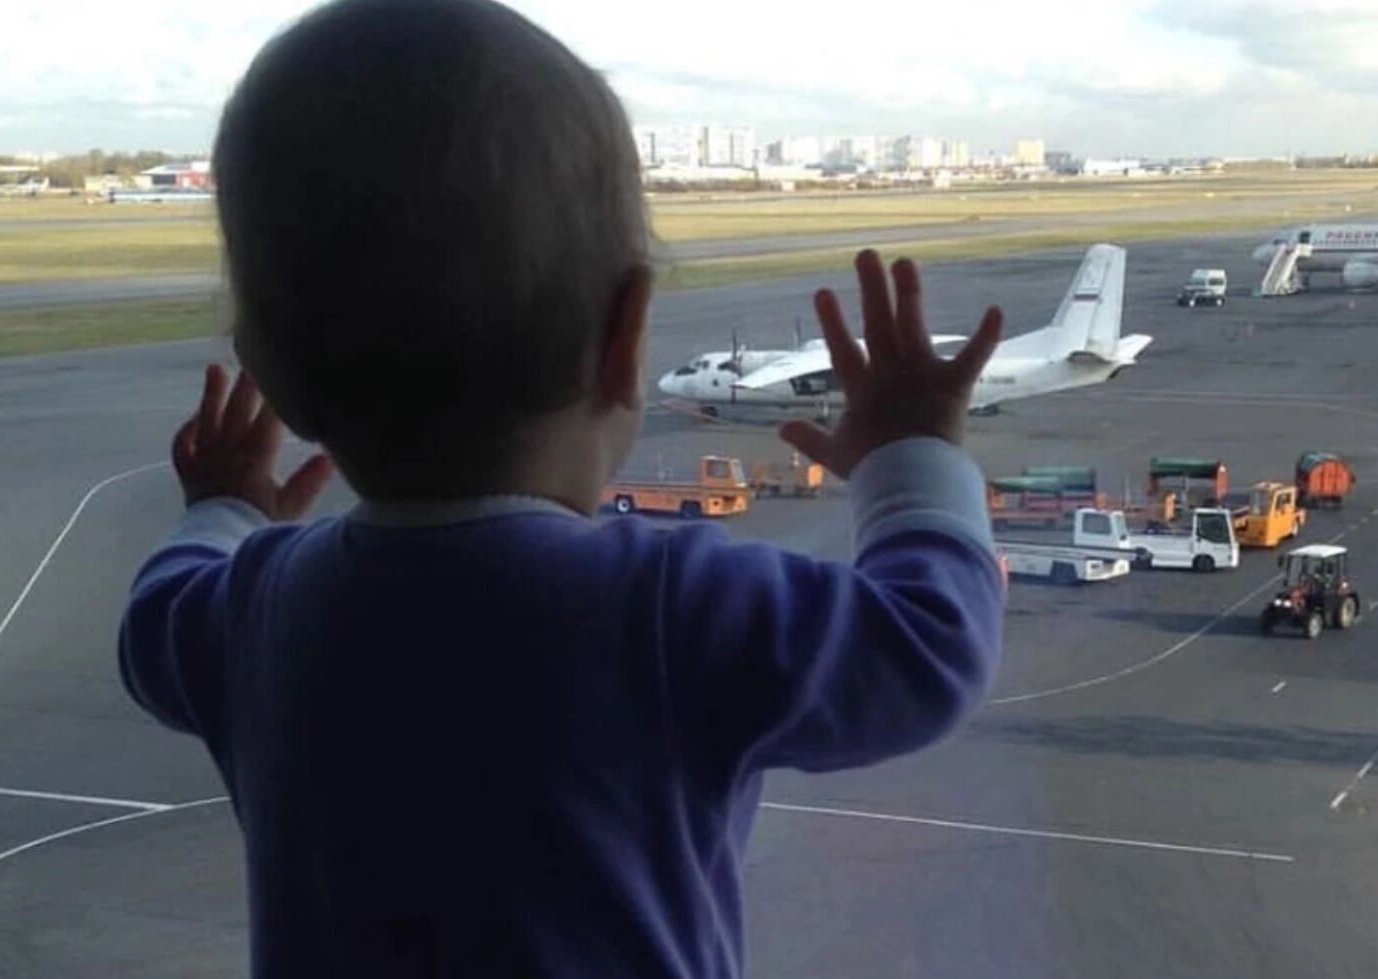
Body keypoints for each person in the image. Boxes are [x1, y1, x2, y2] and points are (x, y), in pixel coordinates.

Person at [117, 0, 1006, 976]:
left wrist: (225, 503)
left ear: (270, 373)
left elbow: (154, 618)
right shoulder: (663, 609)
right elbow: (925, 645)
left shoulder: (254, 610)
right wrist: (910, 451)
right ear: (626, 338)